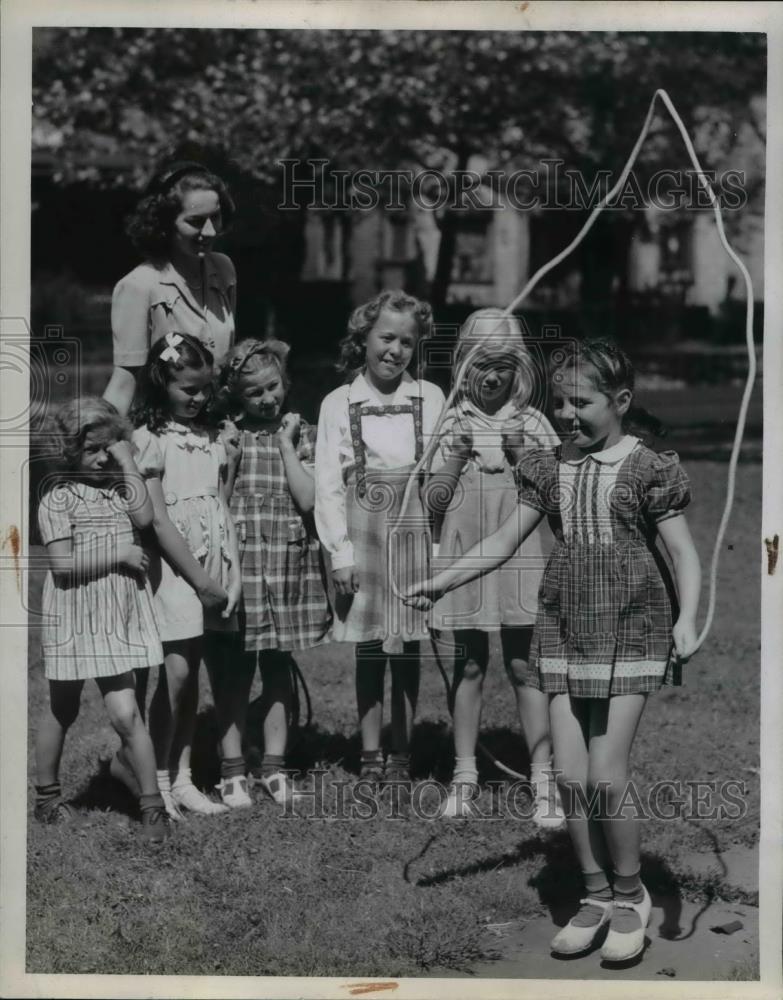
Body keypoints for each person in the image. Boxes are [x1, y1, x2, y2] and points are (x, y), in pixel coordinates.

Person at [404, 340, 701, 963]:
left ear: (620, 401)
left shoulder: (648, 468)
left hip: (632, 629)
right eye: (560, 401)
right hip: (565, 629)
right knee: (569, 776)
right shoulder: (546, 468)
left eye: (582, 402)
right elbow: (504, 540)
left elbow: (683, 553)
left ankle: (632, 895)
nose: (568, 413)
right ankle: (593, 894)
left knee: (606, 775)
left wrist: (689, 619)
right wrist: (443, 578)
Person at [427, 309, 564, 825]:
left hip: (522, 554)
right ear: (464, 363)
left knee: (525, 666)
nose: (492, 376)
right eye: (482, 365)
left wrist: (522, 453)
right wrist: (454, 458)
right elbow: (432, 501)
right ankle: (464, 775)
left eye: (503, 366)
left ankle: (544, 777)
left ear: (520, 368)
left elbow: (557, 498)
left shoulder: (532, 421)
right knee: (468, 662)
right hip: (465, 551)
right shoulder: (451, 419)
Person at [315, 290, 445, 785]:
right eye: (386, 338)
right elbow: (327, 483)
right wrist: (339, 554)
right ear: (364, 338)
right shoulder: (339, 402)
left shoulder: (429, 398)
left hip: (413, 532)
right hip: (362, 533)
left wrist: (435, 545)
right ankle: (368, 753)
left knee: (408, 646)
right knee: (369, 647)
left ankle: (402, 752)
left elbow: (438, 478)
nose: (395, 350)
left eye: (406, 342)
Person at [33, 397, 168, 843]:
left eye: (108, 447)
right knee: (63, 708)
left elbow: (146, 515)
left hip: (113, 619)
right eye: (91, 449)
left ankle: (153, 808)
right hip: (73, 616)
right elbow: (62, 565)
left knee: (127, 714)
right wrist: (120, 553)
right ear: (70, 452)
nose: (101, 457)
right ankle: (48, 799)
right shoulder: (57, 498)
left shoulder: (119, 491)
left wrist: (127, 457)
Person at [212, 338, 332, 807]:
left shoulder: (301, 432)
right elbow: (219, 500)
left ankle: (275, 768)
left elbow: (308, 500)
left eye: (273, 387)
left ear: (285, 382)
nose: (267, 399)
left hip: (285, 563)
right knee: (235, 672)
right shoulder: (227, 434)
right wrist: (232, 456)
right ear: (237, 397)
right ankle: (232, 770)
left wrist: (285, 444)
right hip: (243, 563)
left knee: (278, 668)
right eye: (254, 393)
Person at [129, 332, 241, 819]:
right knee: (173, 674)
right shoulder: (149, 439)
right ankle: (155, 781)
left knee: (191, 672)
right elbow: (157, 520)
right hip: (175, 570)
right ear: (162, 385)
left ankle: (184, 777)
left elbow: (220, 505)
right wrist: (200, 581)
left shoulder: (212, 435)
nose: (199, 398)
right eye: (188, 390)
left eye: (204, 389)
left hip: (212, 564)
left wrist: (230, 574)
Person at [104, 160, 237, 418]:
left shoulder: (224, 269)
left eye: (216, 217)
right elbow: (124, 381)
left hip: (218, 427)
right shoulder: (138, 286)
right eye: (196, 221)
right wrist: (101, 440)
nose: (209, 231)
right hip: (162, 432)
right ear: (164, 223)